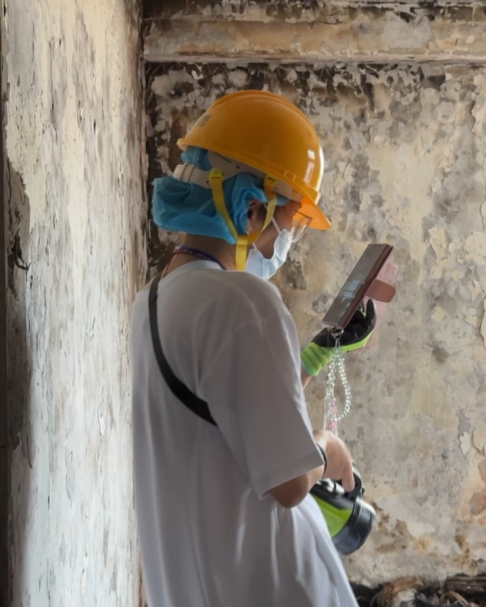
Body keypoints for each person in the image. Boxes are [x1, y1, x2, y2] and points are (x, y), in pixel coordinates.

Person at [130, 90, 377, 607]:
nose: (286, 239)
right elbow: (290, 484)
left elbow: (235, 411)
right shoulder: (244, 301)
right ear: (251, 209)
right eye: (290, 222)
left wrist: (319, 350)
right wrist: (328, 449)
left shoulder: (153, 302)